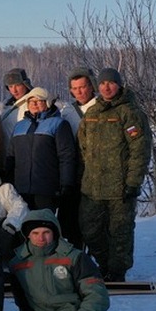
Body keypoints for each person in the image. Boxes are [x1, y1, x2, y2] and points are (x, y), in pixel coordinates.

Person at [78, 68, 152, 281]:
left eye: (111, 83)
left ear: (119, 85)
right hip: (92, 187)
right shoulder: (92, 113)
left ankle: (117, 272)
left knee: (120, 232)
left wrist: (133, 182)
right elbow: (83, 146)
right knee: (90, 230)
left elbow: (140, 150)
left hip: (120, 187)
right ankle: (104, 264)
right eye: (102, 84)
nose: (106, 87)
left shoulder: (130, 112)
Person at [5, 87, 76, 212]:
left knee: (44, 225)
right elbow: (11, 156)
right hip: (22, 188)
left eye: (39, 101)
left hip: (47, 188)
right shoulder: (20, 126)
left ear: (47, 102)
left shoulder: (58, 124)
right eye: (31, 101)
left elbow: (66, 156)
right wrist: (8, 181)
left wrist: (67, 183)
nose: (34, 104)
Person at [58, 67, 98, 247]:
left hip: (97, 173)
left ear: (91, 86)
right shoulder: (67, 111)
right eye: (74, 88)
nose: (79, 92)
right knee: (71, 220)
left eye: (82, 87)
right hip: (73, 173)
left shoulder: (101, 108)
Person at [0, 68, 32, 150]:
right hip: (8, 153)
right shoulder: (7, 105)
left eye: (18, 85)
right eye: (10, 86)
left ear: (25, 84)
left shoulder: (33, 104)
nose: (14, 90)